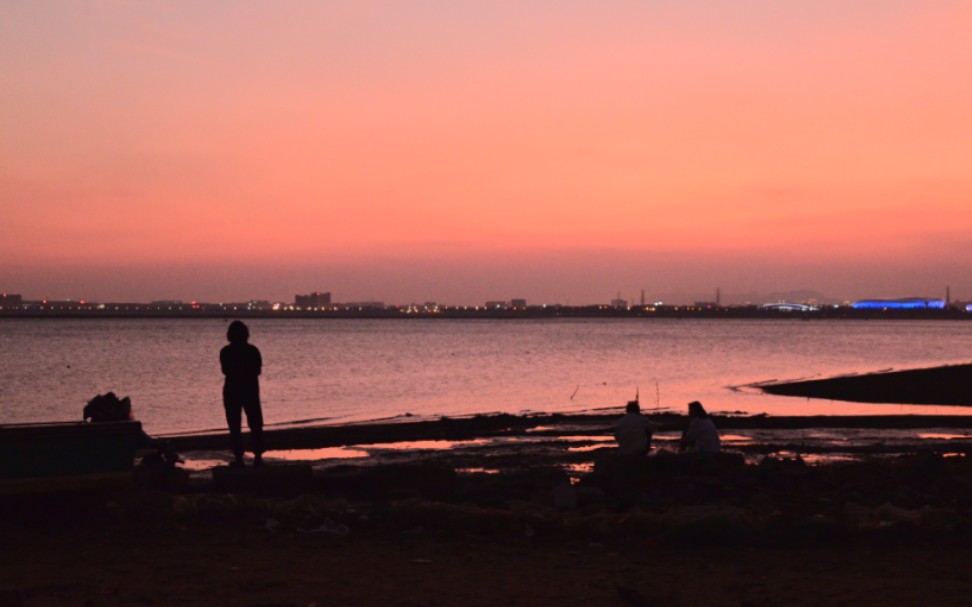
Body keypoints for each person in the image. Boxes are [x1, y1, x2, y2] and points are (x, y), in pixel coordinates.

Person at [220, 320, 265, 467]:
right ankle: (258, 456)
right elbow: (257, 370)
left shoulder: (226, 352)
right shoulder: (253, 350)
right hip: (250, 389)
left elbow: (225, 370)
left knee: (234, 425)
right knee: (255, 423)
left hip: (232, 389)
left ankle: (239, 458)